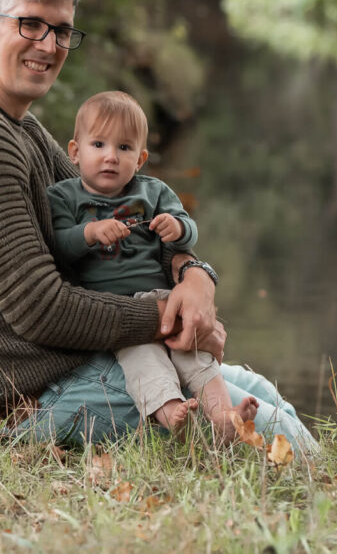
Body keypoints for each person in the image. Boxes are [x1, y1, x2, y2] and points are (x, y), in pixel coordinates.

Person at [0, 0, 318, 453]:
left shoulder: (15, 123)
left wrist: (195, 276)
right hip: (24, 398)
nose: (48, 45)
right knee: (275, 432)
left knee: (263, 393)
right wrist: (168, 314)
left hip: (70, 366)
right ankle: (332, 514)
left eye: (62, 30)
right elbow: (39, 308)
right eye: (30, 24)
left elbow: (127, 220)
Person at [47, 91, 258, 439]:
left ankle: (223, 417)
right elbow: (57, 248)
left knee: (193, 352)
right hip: (118, 310)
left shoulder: (153, 193)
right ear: (75, 151)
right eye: (98, 144)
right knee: (144, 360)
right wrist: (90, 232)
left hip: (164, 296)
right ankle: (171, 411)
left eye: (124, 148)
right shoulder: (65, 197)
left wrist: (177, 228)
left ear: (141, 158)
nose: (111, 157)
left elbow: (187, 232)